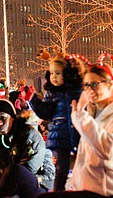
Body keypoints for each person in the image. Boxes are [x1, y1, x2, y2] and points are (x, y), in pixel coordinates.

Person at [39, 60, 113, 198]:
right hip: (84, 189)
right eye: (86, 85)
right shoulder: (91, 113)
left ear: (110, 85)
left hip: (105, 192)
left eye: (95, 84)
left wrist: (81, 118)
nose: (90, 90)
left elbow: (109, 150)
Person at [27, 54, 85, 191]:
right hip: (59, 134)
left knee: (82, 165)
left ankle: (83, 189)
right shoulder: (51, 93)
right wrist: (33, 99)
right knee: (61, 168)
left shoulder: (77, 89)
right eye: (52, 73)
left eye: (58, 73)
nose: (54, 77)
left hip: (78, 132)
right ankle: (58, 191)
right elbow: (45, 112)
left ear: (67, 73)